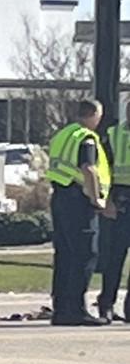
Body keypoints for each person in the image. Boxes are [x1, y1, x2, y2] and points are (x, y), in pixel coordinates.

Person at [45, 98, 113, 326]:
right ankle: (75, 309)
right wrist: (97, 200)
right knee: (85, 255)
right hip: (79, 202)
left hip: (60, 198)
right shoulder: (86, 137)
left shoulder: (63, 135)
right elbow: (88, 168)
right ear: (93, 115)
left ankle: (61, 308)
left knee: (64, 254)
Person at [97, 110, 130, 322]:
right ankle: (106, 304)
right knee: (115, 256)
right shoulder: (113, 133)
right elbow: (104, 168)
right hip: (121, 197)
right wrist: (106, 198)